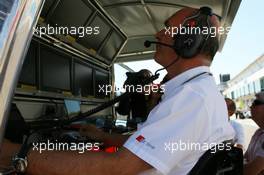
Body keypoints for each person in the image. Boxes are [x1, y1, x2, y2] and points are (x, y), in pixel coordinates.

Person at [20, 7, 234, 175]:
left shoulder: (192, 99)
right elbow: (144, 144)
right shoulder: (197, 93)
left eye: (167, 28)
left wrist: (18, 155)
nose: (158, 34)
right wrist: (103, 136)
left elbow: (117, 168)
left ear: (188, 42)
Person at [244, 92, 264, 175]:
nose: (251, 107)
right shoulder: (258, 132)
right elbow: (246, 157)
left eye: (256, 103)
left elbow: (251, 171)